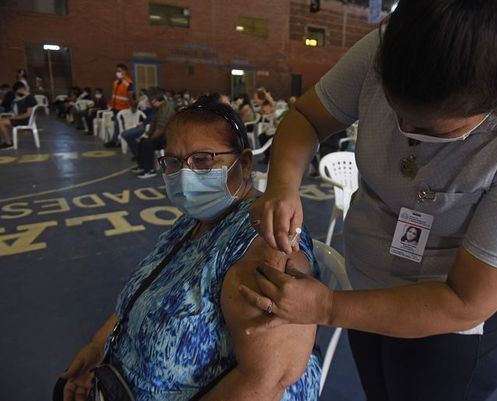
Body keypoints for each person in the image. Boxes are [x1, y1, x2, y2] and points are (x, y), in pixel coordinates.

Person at [240, 1, 497, 401]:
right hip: (364, 287)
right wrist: (282, 184)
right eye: (394, 109)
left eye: (432, 129)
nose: (407, 134)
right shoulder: (391, 51)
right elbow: (308, 117)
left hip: (451, 331)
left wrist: (330, 308)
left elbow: (463, 302)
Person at [59, 98, 321, 401]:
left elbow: (267, 382)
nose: (185, 175)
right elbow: (145, 292)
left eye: (203, 160)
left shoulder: (266, 243)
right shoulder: (192, 223)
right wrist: (99, 349)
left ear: (245, 162)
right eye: (173, 162)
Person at [132, 88, 175, 178]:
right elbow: (154, 124)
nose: (147, 101)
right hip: (163, 135)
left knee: (147, 144)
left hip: (169, 138)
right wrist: (147, 134)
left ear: (154, 100)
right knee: (142, 141)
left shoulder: (165, 109)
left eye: (148, 100)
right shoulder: (159, 107)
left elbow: (160, 129)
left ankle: (150, 170)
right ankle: (142, 166)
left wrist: (150, 138)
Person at [105, 63, 135, 147]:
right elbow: (114, 95)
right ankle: (119, 141)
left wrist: (132, 106)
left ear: (124, 71)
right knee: (117, 125)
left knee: (120, 125)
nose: (117, 72)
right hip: (115, 107)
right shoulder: (115, 82)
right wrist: (111, 105)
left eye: (119, 71)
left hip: (124, 108)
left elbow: (130, 96)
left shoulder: (129, 83)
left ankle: (116, 141)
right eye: (116, 71)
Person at [0, 81, 37, 149]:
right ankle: (8, 141)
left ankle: (8, 143)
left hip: (24, 120)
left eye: (17, 92)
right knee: (1, 120)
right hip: (22, 119)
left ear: (19, 90)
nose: (17, 94)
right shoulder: (27, 97)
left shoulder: (29, 99)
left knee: (1, 122)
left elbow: (28, 114)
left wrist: (16, 117)